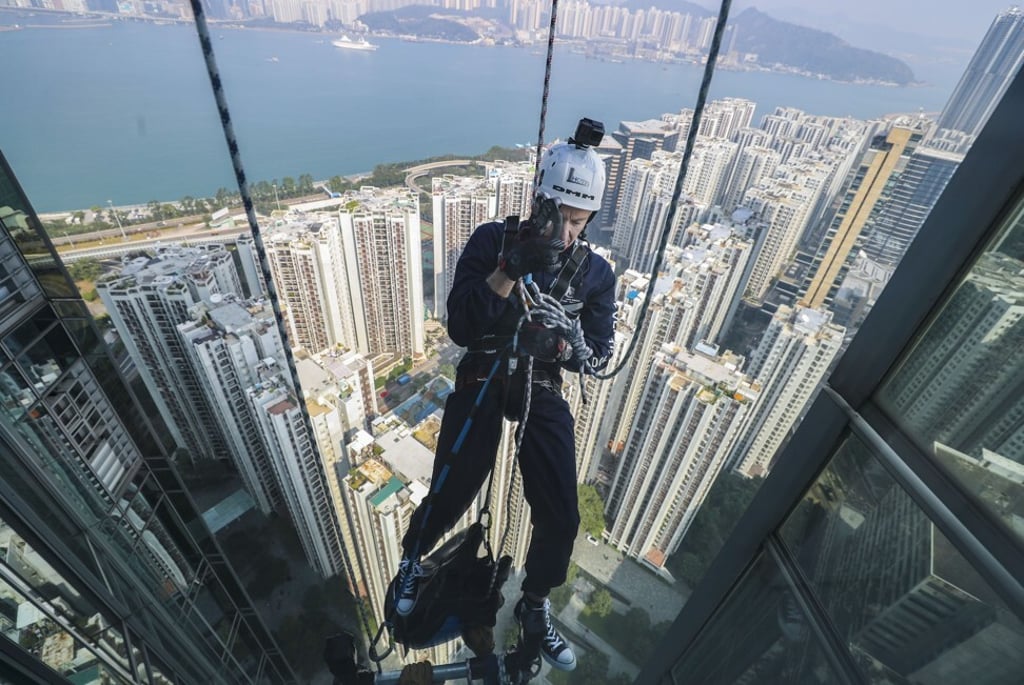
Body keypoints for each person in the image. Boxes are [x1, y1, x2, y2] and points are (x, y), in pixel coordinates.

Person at [393, 127, 616, 672]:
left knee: (561, 514)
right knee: (454, 486)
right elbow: (463, 326)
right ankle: (411, 562)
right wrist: (511, 267)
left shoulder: (595, 273)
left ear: (591, 218)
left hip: (542, 378)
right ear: (540, 199)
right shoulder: (494, 241)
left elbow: (599, 356)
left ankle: (535, 603)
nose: (565, 229)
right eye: (559, 214)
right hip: (485, 367)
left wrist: (561, 345)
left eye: (577, 220)